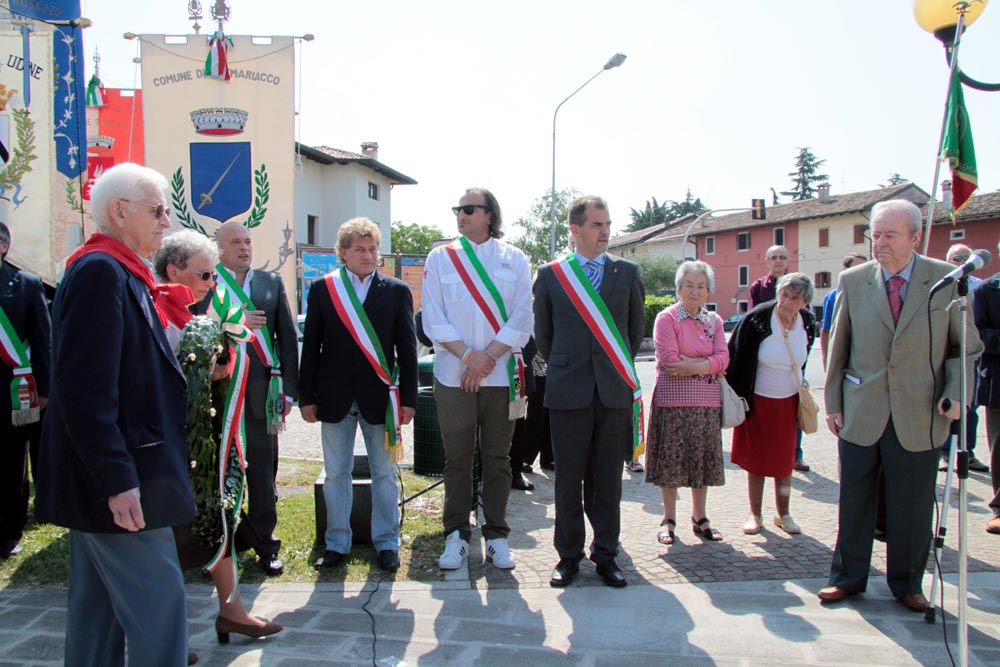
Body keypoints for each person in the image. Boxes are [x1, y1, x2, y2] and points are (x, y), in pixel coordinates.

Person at [35, 163, 196, 666]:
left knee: (96, 614)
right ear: (119, 212)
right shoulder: (100, 271)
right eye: (157, 210)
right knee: (159, 607)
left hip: (114, 472)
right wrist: (116, 479)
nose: (167, 221)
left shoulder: (119, 269)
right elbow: (84, 391)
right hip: (122, 475)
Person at [819, 199, 982, 612]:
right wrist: (834, 402)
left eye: (890, 235)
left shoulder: (946, 280)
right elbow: (839, 347)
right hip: (861, 410)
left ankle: (908, 584)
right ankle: (847, 578)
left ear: (915, 237)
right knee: (854, 500)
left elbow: (966, 348)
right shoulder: (854, 280)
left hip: (920, 412)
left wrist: (956, 392)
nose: (880, 243)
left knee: (912, 505)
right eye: (875, 234)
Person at [153, 230, 283, 643]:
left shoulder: (189, 314)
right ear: (174, 271)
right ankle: (164, 641)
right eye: (205, 275)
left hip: (203, 443)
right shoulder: (153, 313)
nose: (212, 284)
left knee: (219, 517)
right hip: (167, 447)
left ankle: (232, 612)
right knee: (166, 542)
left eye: (213, 275)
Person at [534, 195, 645, 588]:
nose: (605, 232)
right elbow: (543, 335)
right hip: (568, 391)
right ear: (575, 229)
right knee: (567, 479)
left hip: (612, 392)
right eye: (597, 224)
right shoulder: (551, 275)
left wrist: (611, 367)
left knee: (608, 481)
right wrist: (571, 366)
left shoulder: (626, 272)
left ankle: (606, 555)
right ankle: (568, 556)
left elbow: (634, 332)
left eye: (608, 224)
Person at [422, 188, 533, 571]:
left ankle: (497, 535)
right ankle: (455, 534)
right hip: (454, 375)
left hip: (500, 376)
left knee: (498, 458)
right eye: (458, 209)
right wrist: (470, 357)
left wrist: (487, 358)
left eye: (469, 209)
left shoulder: (515, 258)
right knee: (457, 458)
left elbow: (522, 316)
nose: (461, 214)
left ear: (489, 215)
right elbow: (432, 317)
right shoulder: (441, 257)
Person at [298, 218, 418, 573]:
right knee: (336, 473)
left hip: (379, 397)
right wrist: (306, 396)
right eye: (360, 249)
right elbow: (311, 346)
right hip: (333, 396)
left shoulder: (396, 291)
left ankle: (387, 542)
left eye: (373, 249)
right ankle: (337, 542)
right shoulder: (323, 289)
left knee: (384, 473)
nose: (368, 255)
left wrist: (408, 399)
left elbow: (407, 349)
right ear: (343, 253)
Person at [204, 221, 299, 576]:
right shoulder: (208, 284)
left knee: (262, 471)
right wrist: (233, 321)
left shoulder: (270, 283)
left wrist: (290, 390)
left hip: (262, 396)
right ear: (219, 248)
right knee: (218, 470)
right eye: (235, 242)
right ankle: (221, 545)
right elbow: (195, 328)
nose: (244, 248)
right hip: (220, 393)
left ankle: (265, 544)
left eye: (247, 241)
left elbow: (287, 338)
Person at [645, 260, 728, 545]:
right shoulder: (666, 319)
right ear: (678, 289)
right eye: (689, 285)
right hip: (672, 404)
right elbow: (670, 361)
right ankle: (668, 519)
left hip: (707, 404)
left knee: (701, 462)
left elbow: (724, 358)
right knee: (670, 464)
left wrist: (692, 365)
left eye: (701, 286)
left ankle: (700, 516)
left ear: (708, 291)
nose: (695, 291)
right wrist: (708, 365)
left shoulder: (714, 321)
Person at [729, 273, 816, 536]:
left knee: (784, 462)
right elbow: (736, 353)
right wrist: (737, 395)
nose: (788, 301)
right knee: (756, 460)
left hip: (788, 403)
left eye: (795, 298)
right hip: (757, 401)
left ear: (805, 302)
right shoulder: (758, 318)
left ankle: (784, 513)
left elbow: (804, 358)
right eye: (784, 294)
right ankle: (755, 514)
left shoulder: (807, 321)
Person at [0, 222, 51, 560]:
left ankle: (9, 531)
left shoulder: (25, 284)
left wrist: (45, 389)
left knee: (13, 461)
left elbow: (43, 340)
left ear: (4, 246)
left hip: (17, 390)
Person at [749, 245, 810, 473]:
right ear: (767, 261)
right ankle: (765, 454)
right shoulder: (758, 287)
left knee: (795, 406)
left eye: (782, 257)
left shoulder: (798, 283)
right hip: (767, 356)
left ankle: (795, 455)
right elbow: (752, 320)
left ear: (788, 261)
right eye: (774, 257)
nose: (778, 261)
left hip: (793, 356)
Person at [941, 243, 988, 473]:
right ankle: (944, 452)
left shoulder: (981, 287)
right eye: (956, 258)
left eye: (965, 258)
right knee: (946, 407)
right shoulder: (941, 285)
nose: (961, 262)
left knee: (970, 408)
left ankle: (967, 453)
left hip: (972, 356)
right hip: (945, 357)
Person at [972, 250, 1000, 534]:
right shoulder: (985, 290)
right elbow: (977, 335)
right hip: (998, 381)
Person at [820, 253, 867, 370]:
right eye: (857, 269)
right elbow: (826, 330)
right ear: (845, 270)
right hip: (842, 357)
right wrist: (826, 360)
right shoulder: (833, 297)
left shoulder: (873, 295)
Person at [508, 337, 538, 491]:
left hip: (517, 378)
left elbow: (532, 345)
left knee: (518, 428)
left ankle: (515, 473)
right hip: (489, 377)